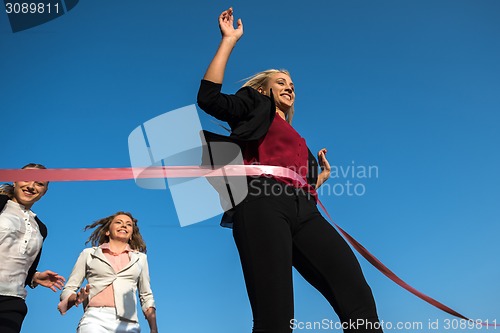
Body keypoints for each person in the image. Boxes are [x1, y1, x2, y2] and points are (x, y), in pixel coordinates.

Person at [197, 8, 383, 333]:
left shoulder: (298, 138)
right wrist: (228, 41)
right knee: (277, 317)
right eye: (280, 82)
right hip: (261, 203)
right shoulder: (256, 106)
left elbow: (300, 183)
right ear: (264, 89)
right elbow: (208, 98)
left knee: (357, 295)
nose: (289, 87)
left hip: (305, 211)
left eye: (292, 84)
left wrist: (319, 179)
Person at [58, 212, 158, 333]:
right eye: (118, 222)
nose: (124, 226)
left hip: (129, 323)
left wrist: (153, 328)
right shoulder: (89, 254)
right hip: (95, 318)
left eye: (128, 224)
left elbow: (146, 295)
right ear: (107, 231)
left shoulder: (140, 259)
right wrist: (76, 298)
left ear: (131, 234)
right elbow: (68, 289)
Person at [0, 163, 66, 333]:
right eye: (26, 179)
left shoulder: (40, 228)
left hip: (12, 302)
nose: (31, 186)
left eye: (39, 183)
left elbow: (21, 261)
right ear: (14, 180)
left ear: (44, 192)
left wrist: (34, 277)